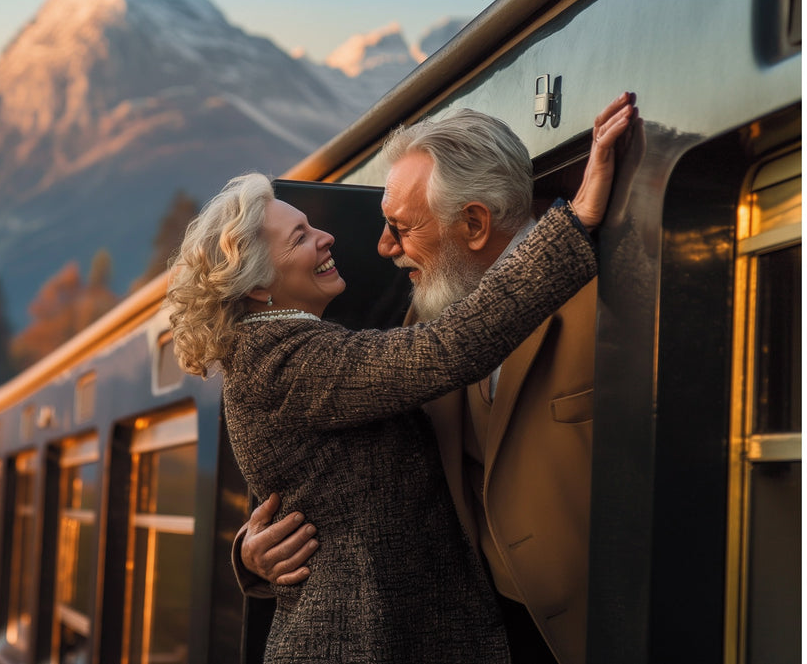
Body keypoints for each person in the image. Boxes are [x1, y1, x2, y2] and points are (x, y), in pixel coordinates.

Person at [167, 94, 636, 663]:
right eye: (300, 236)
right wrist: (574, 223)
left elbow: (321, 476)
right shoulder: (284, 359)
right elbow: (447, 351)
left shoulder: (324, 342)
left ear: (473, 222)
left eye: (400, 226)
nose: (335, 238)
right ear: (260, 285)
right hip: (367, 641)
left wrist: (252, 548)